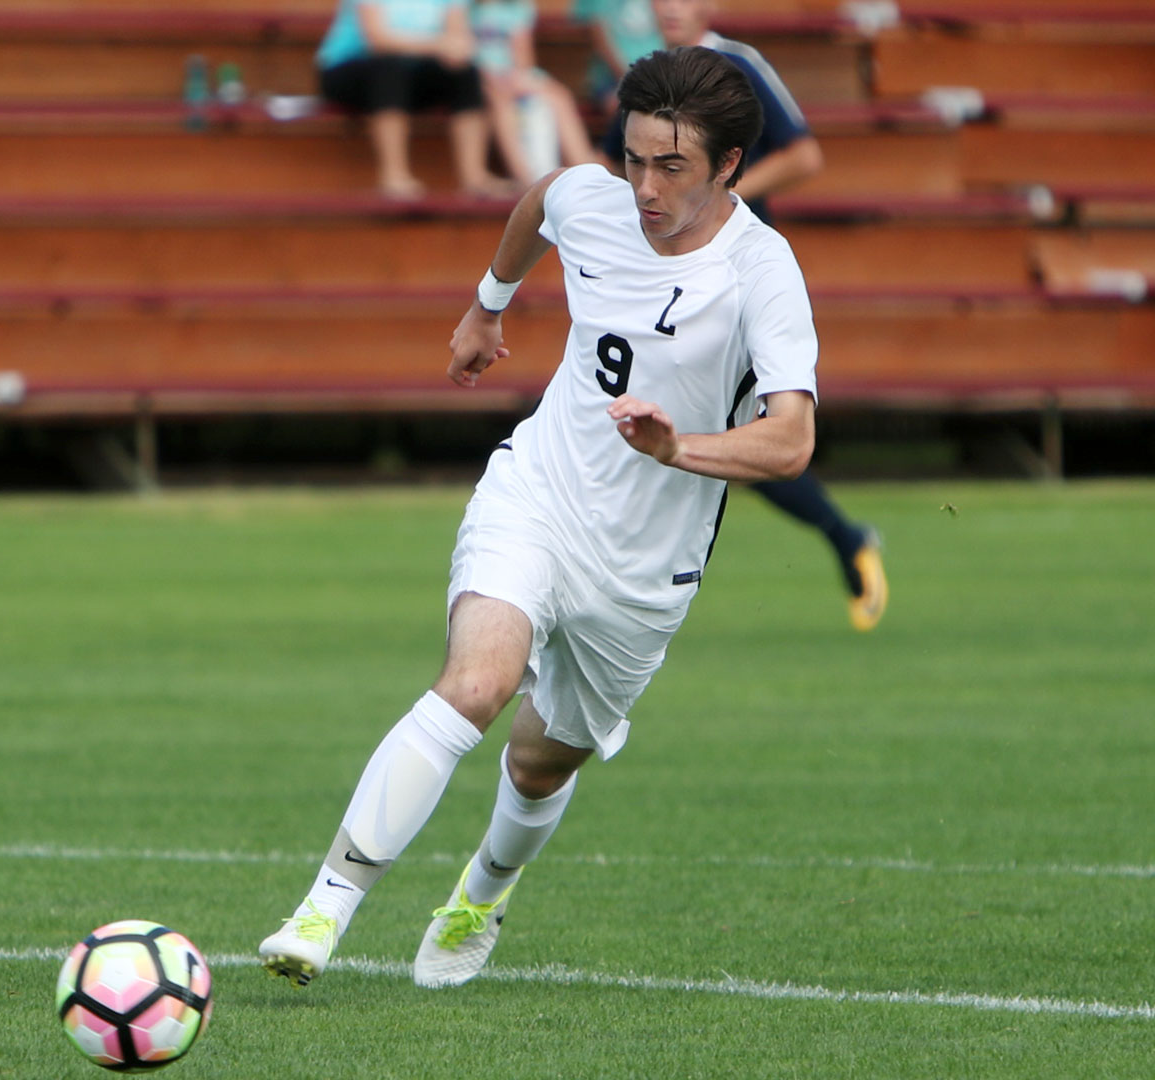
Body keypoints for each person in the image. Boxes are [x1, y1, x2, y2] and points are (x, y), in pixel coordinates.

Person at [258, 46, 820, 991]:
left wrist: (678, 448)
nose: (644, 187)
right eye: (633, 158)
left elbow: (791, 439)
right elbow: (540, 204)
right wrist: (487, 308)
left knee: (538, 766)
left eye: (671, 166)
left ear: (728, 165)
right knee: (475, 684)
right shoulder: (593, 199)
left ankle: (482, 891)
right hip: (539, 495)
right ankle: (323, 908)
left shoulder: (761, 271)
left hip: (644, 568)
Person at [605, 0, 885, 631]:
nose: (670, 8)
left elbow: (804, 156)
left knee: (740, 435)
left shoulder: (738, 65)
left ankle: (845, 538)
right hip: (661, 282)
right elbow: (612, 170)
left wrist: (714, 195)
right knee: (654, 426)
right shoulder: (649, 82)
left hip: (729, 292)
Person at [315, 0, 511, 200]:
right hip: (349, 70)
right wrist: (440, 45)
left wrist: (456, 51)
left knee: (465, 73)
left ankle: (475, 178)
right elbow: (377, 40)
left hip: (409, 74)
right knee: (388, 69)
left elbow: (458, 39)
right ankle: (393, 176)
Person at [471, 0, 601, 184]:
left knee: (560, 96)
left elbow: (524, 57)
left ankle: (587, 169)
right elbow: (466, 54)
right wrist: (489, 78)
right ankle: (525, 179)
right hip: (479, 79)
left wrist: (513, 79)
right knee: (500, 102)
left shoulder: (518, 8)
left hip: (512, 75)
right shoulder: (465, 8)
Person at [575, 0, 664, 112]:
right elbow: (597, 31)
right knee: (624, 103)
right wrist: (631, 80)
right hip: (612, 80)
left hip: (659, 76)